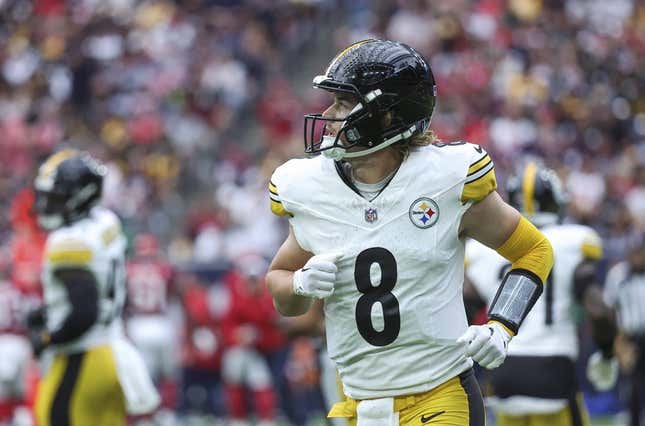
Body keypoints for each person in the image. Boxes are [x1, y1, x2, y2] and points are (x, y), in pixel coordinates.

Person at [266, 39, 554, 426]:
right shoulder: (307, 188)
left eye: (342, 104)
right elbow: (283, 293)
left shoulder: (447, 179)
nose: (328, 115)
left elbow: (534, 250)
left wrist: (501, 326)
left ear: (385, 115)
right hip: (357, 405)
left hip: (440, 395)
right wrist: (299, 284)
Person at [465, 162, 617, 426]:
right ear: (556, 202)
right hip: (553, 371)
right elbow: (599, 311)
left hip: (503, 371)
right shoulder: (573, 241)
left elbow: (461, 310)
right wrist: (606, 354)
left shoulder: (485, 250)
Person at [27, 149, 159, 426]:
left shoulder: (67, 241)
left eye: (55, 197)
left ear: (80, 196)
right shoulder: (106, 222)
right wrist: (48, 312)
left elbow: (84, 312)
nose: (47, 204)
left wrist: (48, 337)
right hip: (113, 351)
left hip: (82, 358)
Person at [603, 239, 645, 426]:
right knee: (631, 385)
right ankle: (630, 417)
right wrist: (618, 341)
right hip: (629, 336)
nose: (639, 256)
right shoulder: (618, 274)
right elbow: (609, 307)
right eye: (636, 251)